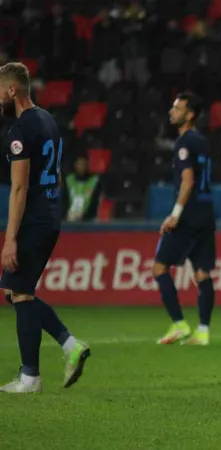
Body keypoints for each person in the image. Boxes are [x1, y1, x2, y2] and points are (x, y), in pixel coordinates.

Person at [0, 62, 90, 393]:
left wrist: (9, 239)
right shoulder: (48, 120)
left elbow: (20, 188)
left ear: (12, 90)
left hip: (34, 218)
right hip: (51, 214)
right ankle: (69, 346)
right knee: (17, 292)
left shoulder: (20, 130)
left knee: (20, 293)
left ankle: (30, 377)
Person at [153, 92, 217, 347]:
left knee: (159, 268)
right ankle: (202, 332)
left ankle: (179, 324)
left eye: (177, 108)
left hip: (188, 215)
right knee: (202, 272)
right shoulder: (202, 141)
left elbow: (188, 181)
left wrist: (175, 215)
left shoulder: (183, 143)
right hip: (206, 212)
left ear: (190, 114)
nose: (172, 112)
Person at [62, 155, 101, 222]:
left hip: (88, 219)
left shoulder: (95, 181)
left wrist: (85, 216)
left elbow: (95, 203)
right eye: (80, 163)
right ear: (75, 165)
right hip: (70, 217)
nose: (82, 166)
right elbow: (64, 201)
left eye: (84, 164)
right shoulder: (69, 180)